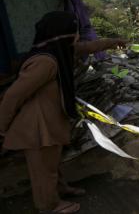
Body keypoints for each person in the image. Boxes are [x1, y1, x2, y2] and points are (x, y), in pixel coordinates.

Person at [0, 11, 126, 213]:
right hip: (37, 126)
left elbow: (87, 47)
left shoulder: (59, 50)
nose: (77, 36)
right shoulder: (46, 62)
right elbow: (13, 96)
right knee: (43, 171)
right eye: (73, 31)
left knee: (52, 164)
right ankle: (49, 206)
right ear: (63, 34)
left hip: (50, 120)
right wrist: (2, 127)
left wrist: (112, 42)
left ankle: (60, 189)